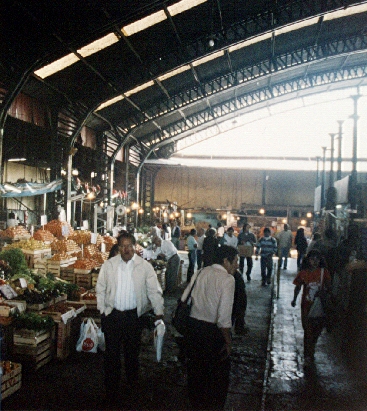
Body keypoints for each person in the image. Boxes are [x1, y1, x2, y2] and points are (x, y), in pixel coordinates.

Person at [96, 232, 164, 401]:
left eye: (129, 246)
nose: (126, 249)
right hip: (113, 316)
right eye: (122, 246)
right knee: (111, 355)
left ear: (135, 247)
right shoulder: (109, 265)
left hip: (133, 318)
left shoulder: (144, 267)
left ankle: (132, 386)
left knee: (131, 354)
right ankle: (111, 390)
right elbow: (100, 289)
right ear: (119, 248)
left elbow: (153, 291)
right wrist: (103, 310)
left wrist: (159, 311)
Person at [182, 245, 237, 410]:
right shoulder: (228, 280)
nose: (237, 266)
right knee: (215, 378)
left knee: (196, 373)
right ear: (226, 261)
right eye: (235, 261)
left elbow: (184, 298)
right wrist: (228, 342)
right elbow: (224, 319)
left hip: (193, 329)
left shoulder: (201, 272)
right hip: (212, 334)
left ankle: (195, 404)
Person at [291, 249, 331, 366]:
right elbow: (298, 287)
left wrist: (324, 293)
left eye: (317, 259)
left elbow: (329, 288)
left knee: (316, 331)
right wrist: (294, 299)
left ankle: (311, 348)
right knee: (308, 331)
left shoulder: (324, 272)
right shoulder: (303, 273)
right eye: (312, 259)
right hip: (306, 307)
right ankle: (308, 353)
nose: (315, 261)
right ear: (308, 260)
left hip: (320, 307)